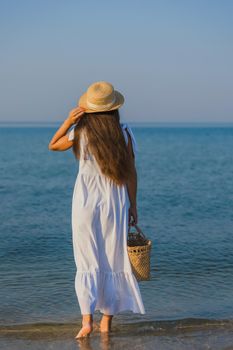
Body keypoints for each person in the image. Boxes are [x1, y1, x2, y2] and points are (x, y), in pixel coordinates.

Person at [48, 81, 145, 339]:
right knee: (113, 258)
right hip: (115, 201)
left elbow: (53, 144)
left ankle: (87, 321)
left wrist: (69, 120)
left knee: (87, 259)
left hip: (85, 202)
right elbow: (132, 174)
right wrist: (133, 204)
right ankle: (105, 325)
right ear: (114, 109)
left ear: (89, 109)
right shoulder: (123, 133)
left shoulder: (81, 132)